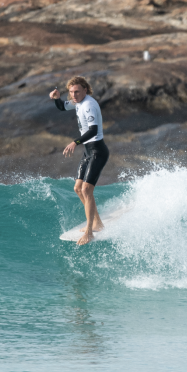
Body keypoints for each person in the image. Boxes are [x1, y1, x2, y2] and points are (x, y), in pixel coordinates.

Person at [50, 76, 109, 245]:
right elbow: (62, 107)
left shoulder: (89, 104)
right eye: (71, 92)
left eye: (77, 92)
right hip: (88, 151)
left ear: (85, 90)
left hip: (98, 150)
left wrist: (75, 142)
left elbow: (93, 130)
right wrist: (56, 99)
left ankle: (90, 231)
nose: (73, 95)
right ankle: (97, 222)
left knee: (86, 190)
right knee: (77, 188)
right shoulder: (78, 102)